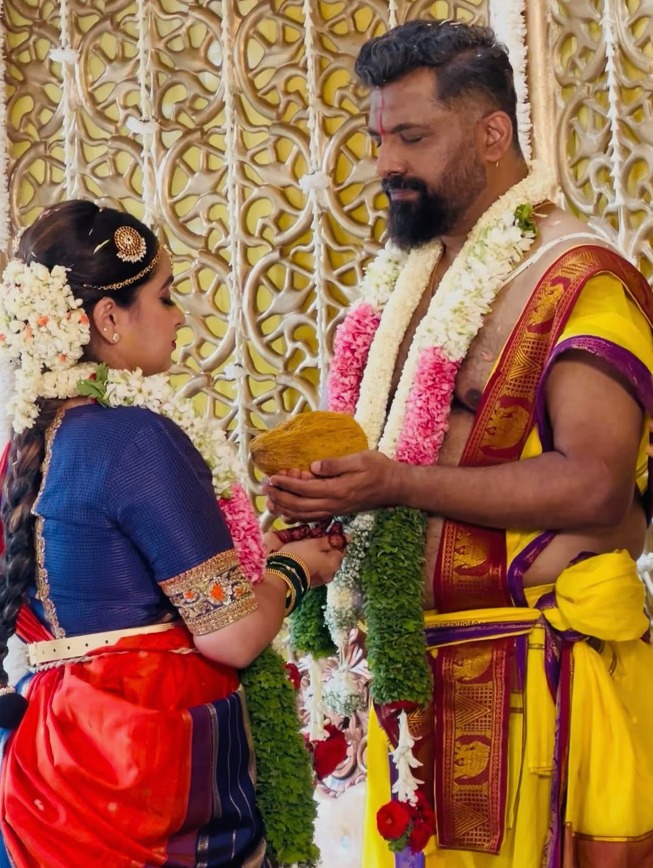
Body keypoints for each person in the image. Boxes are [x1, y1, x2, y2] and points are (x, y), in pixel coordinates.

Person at [265, 19, 653, 868]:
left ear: (491, 134)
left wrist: (393, 483)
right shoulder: (408, 282)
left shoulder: (576, 279)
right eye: (377, 138)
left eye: (412, 137)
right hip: (415, 678)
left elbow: (596, 488)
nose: (383, 163)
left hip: (536, 678)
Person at [0, 200, 345, 867]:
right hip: (142, 776)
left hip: (50, 774)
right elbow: (232, 634)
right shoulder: (135, 441)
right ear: (107, 318)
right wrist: (295, 571)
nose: (181, 316)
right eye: (164, 296)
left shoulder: (21, 456)